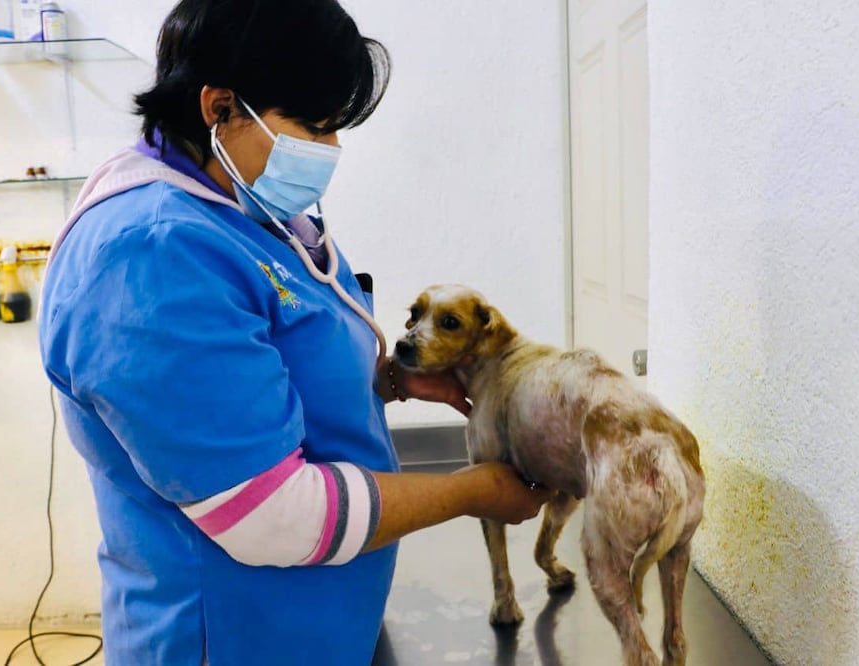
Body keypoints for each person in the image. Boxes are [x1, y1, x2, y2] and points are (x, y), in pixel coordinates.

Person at [38, 1, 552, 664]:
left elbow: (267, 359)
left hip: (317, 623)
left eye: (335, 127)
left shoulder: (238, 207)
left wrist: (385, 381)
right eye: (312, 125)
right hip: (234, 636)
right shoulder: (154, 255)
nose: (329, 150)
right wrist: (472, 490)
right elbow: (270, 516)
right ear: (219, 106)